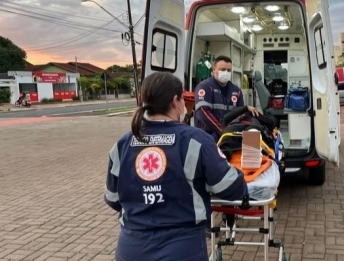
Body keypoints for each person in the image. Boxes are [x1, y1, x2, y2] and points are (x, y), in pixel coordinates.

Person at [104, 72, 248, 261]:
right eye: (183, 99)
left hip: (132, 248)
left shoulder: (122, 144)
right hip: (182, 248)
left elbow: (114, 199)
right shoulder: (196, 140)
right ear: (175, 101)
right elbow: (229, 187)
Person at [194, 55, 261, 140]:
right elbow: (202, 112)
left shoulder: (236, 91)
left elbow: (240, 115)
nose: (226, 72)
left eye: (228, 70)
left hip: (229, 135)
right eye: (222, 70)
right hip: (208, 136)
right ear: (214, 70)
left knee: (253, 138)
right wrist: (221, 130)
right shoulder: (205, 87)